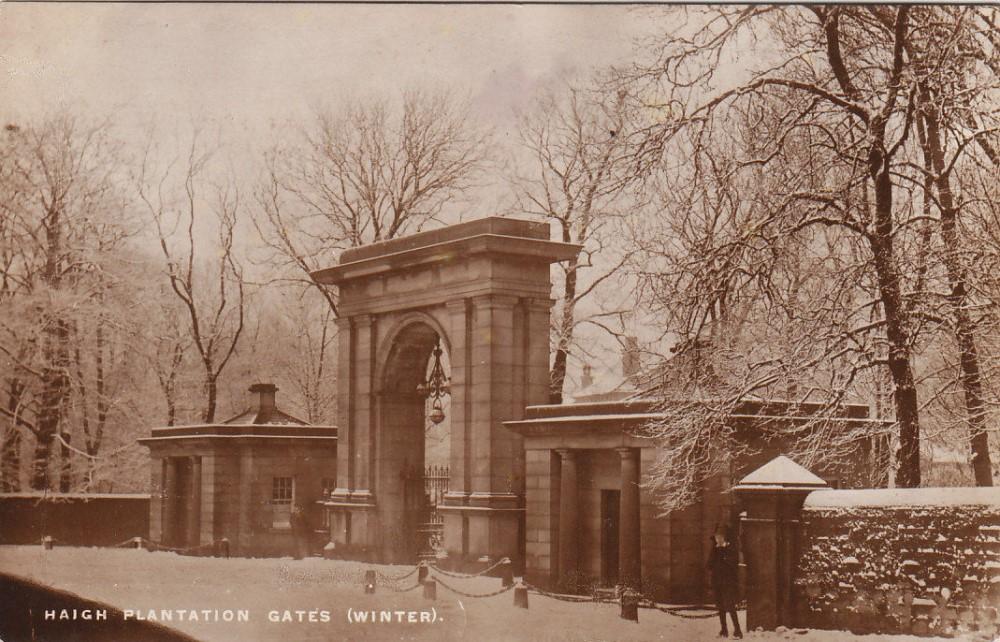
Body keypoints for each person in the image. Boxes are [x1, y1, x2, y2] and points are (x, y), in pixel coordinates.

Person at [707, 525, 743, 639]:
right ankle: (724, 630)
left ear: (725, 537)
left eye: (720, 536)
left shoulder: (731, 549)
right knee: (720, 607)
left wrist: (723, 551)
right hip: (717, 582)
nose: (718, 539)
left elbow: (732, 565)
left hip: (728, 582)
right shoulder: (715, 549)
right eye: (717, 537)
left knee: (730, 606)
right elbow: (708, 565)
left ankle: (738, 631)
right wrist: (716, 550)